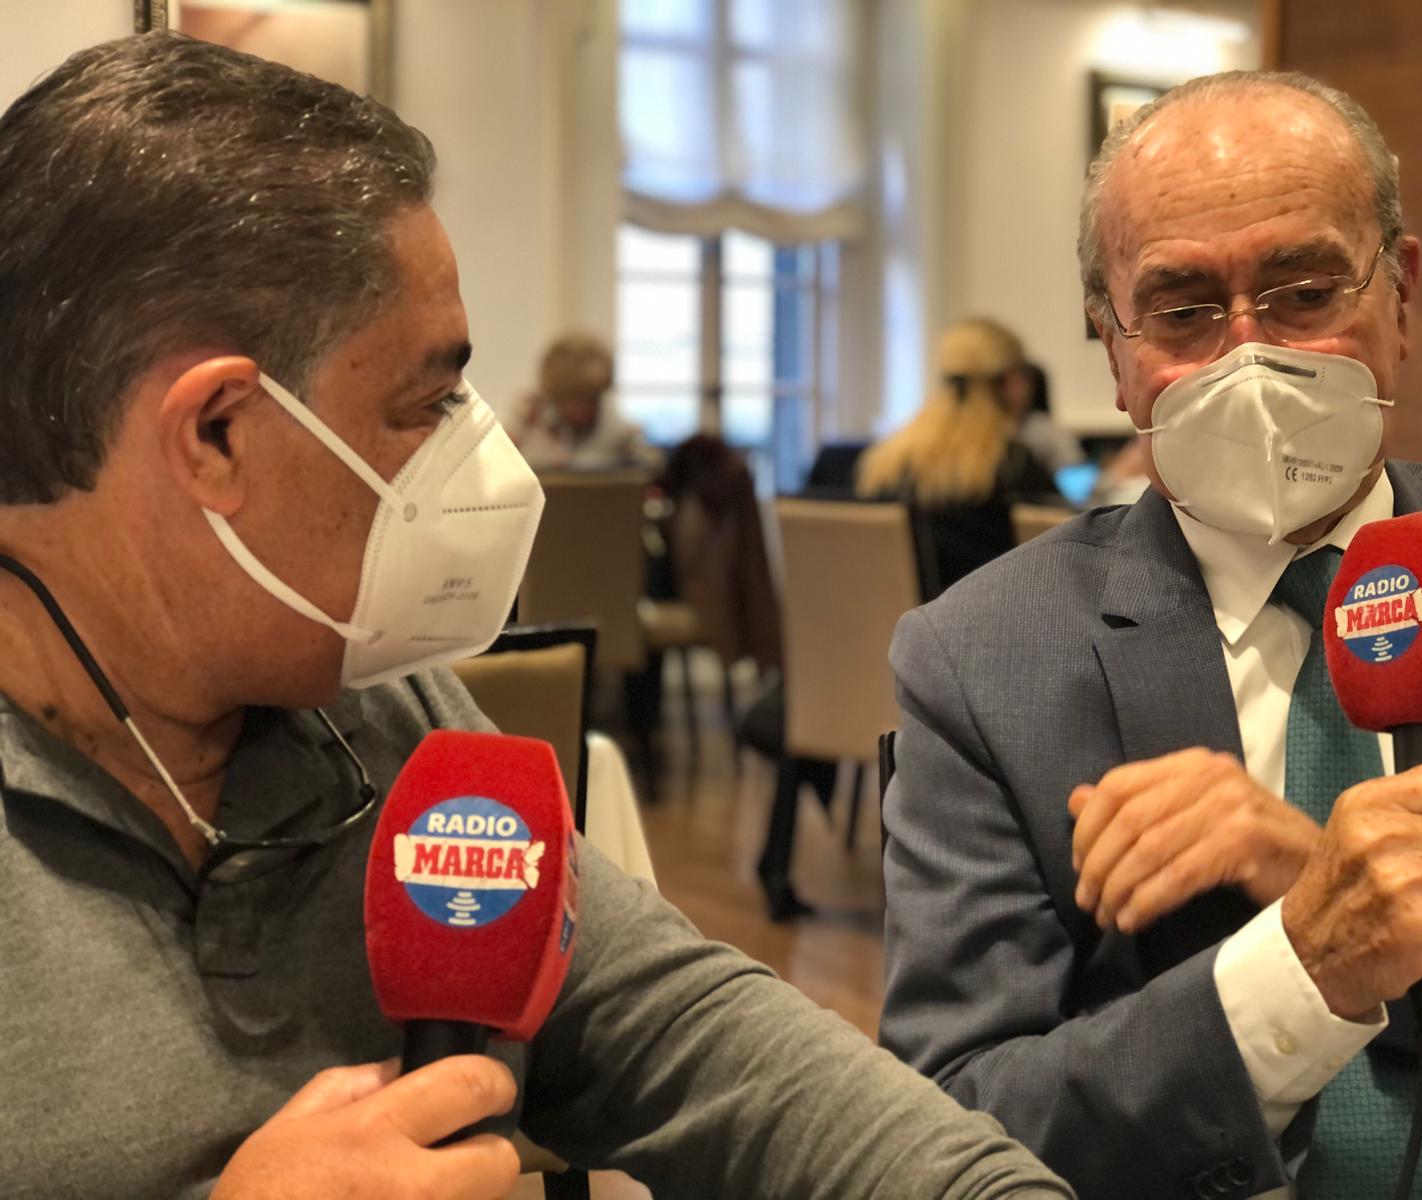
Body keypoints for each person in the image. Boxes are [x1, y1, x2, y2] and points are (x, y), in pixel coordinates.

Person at [0, 34, 1076, 1200]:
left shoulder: (375, 709)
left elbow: (681, 1031)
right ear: (215, 433)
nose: (477, 454)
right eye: (428, 402)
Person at [879, 69, 1422, 1200]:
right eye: (1182, 313)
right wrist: (1297, 966)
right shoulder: (980, 662)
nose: (1249, 357)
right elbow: (955, 1120)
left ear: (1401, 296)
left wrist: (1324, 870)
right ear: (1112, 348)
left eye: (1304, 292)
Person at [856, 316, 1062, 598]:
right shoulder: (1013, 466)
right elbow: (1062, 547)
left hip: (897, 620)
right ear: (1013, 381)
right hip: (991, 619)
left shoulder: (887, 460)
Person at [516, 330, 662, 472]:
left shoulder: (618, 431)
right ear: (557, 398)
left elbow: (652, 464)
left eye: (591, 399)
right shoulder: (534, 423)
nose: (583, 409)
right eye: (574, 399)